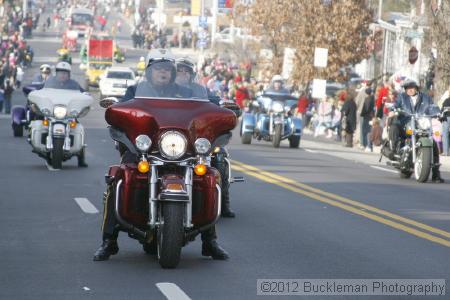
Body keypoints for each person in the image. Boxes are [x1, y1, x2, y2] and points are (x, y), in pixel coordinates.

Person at [95, 49, 229, 261]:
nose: (163, 73)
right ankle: (109, 241)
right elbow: (121, 109)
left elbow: (208, 102)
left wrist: (221, 105)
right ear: (149, 71)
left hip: (180, 149)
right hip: (142, 150)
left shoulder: (186, 92)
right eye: (158, 69)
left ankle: (209, 241)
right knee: (118, 177)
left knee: (209, 177)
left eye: (167, 69)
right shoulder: (135, 91)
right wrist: (115, 108)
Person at [390, 79, 444, 182]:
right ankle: (395, 151)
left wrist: (438, 113)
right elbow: (396, 105)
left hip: (421, 123)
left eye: (412, 88)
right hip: (406, 122)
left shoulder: (425, 97)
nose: (410, 90)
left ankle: (436, 173)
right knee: (395, 127)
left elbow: (432, 107)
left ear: (416, 88)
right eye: (407, 88)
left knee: (433, 143)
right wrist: (394, 109)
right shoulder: (402, 97)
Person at [440, 87, 450, 156]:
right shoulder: (446, 100)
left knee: (445, 134)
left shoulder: (446, 100)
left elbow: (441, 110)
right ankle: (446, 152)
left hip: (446, 117)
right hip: (446, 117)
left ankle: (446, 152)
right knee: (445, 134)